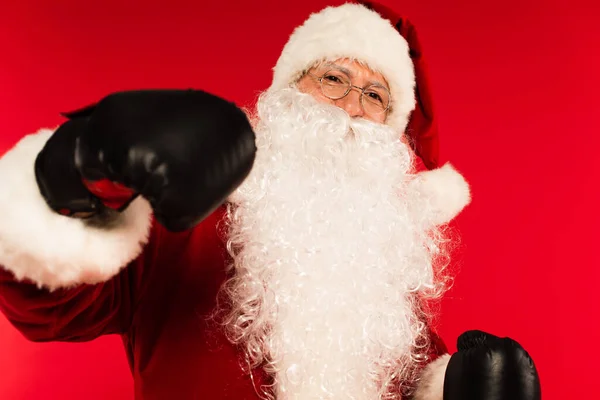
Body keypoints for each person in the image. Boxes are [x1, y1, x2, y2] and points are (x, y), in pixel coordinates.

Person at [0, 2, 540, 400]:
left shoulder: (385, 270)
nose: (351, 107)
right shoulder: (184, 220)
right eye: (333, 78)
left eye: (376, 96)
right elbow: (49, 304)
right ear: (284, 94)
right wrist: (83, 171)